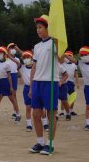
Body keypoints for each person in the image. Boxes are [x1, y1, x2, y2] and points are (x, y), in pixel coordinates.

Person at [29, 15, 64, 155]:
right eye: (37, 28)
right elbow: (34, 67)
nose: (38, 30)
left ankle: (50, 144)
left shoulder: (55, 43)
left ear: (49, 28)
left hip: (50, 82)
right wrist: (31, 86)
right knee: (36, 114)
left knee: (51, 114)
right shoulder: (37, 46)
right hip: (37, 83)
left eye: (41, 27)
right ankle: (40, 141)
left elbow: (61, 60)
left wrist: (57, 43)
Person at [65, 46, 89, 130]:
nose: (83, 56)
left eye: (85, 54)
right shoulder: (81, 63)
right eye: (82, 55)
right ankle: (87, 123)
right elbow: (73, 60)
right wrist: (64, 55)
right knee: (88, 106)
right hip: (87, 87)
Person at [18, 50, 34, 131]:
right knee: (28, 107)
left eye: (28, 57)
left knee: (40, 108)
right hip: (27, 88)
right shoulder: (22, 67)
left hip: (36, 88)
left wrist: (18, 49)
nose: (26, 59)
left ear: (32, 58)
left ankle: (44, 123)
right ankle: (29, 124)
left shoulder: (36, 66)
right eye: (24, 58)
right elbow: (15, 60)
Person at [60, 51, 79, 116]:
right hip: (65, 82)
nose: (67, 58)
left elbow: (76, 74)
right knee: (64, 98)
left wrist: (77, 82)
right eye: (66, 56)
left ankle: (71, 110)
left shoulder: (74, 65)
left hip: (71, 83)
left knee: (72, 97)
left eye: (69, 56)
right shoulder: (63, 64)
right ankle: (62, 111)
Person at [7, 43, 22, 122]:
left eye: (14, 48)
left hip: (14, 75)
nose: (13, 49)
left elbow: (18, 67)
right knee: (1, 96)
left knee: (13, 95)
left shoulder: (17, 59)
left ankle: (15, 111)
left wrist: (21, 76)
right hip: (6, 76)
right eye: (11, 48)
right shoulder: (5, 58)